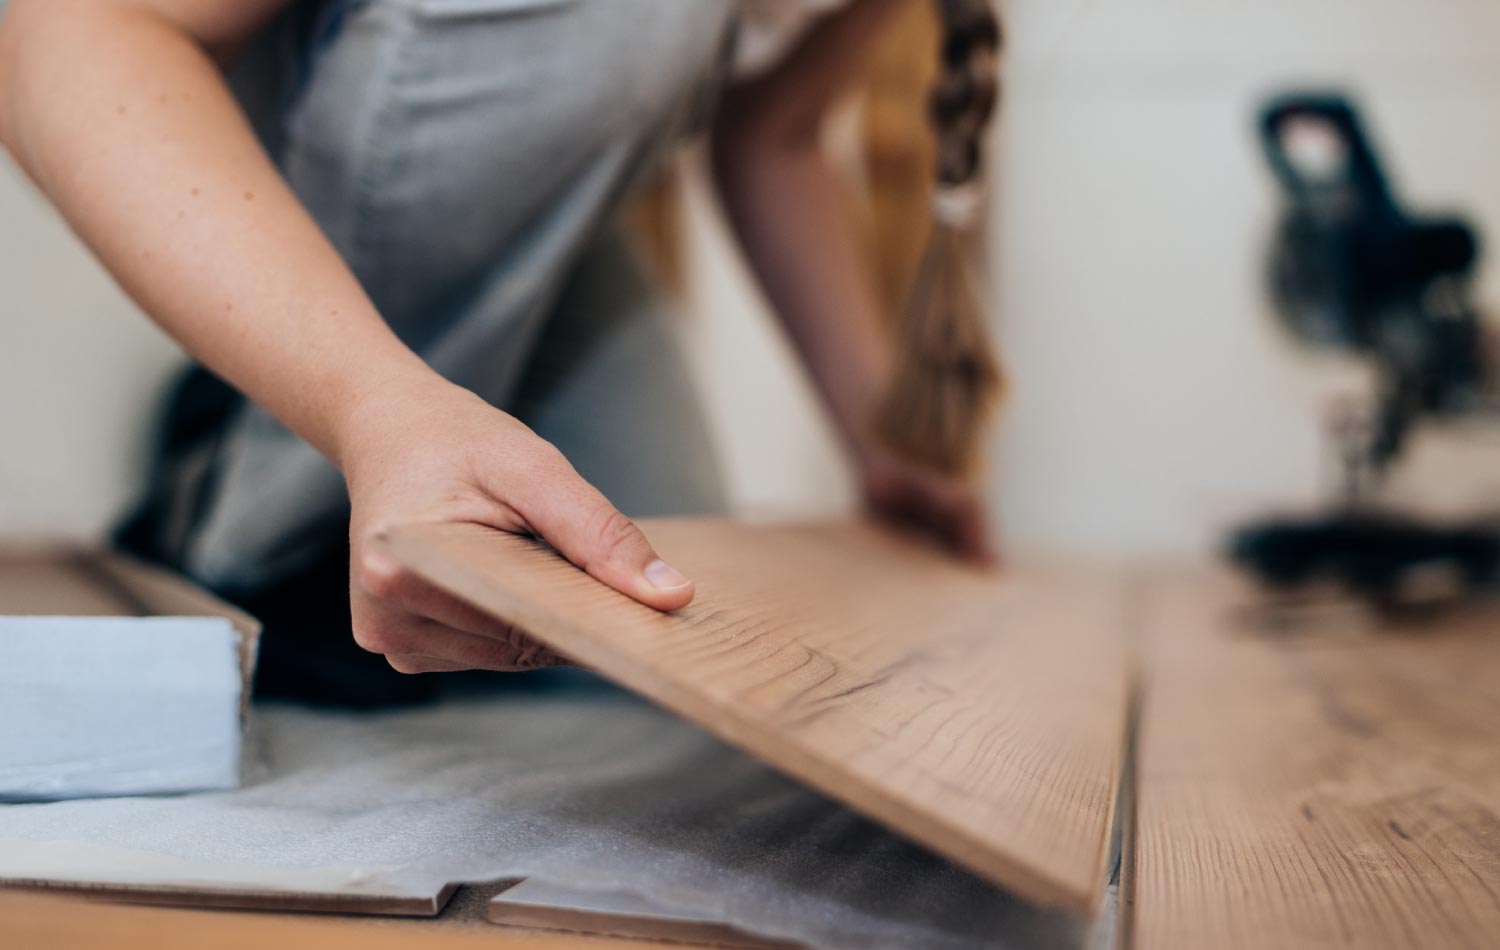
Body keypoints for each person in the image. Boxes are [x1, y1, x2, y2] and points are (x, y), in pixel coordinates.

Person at [0, 0, 995, 703]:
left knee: (636, 670)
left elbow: (772, 132)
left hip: (531, 202)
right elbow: (60, 29)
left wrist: (878, 435)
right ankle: (248, 500)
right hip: (264, 167)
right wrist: (370, 405)